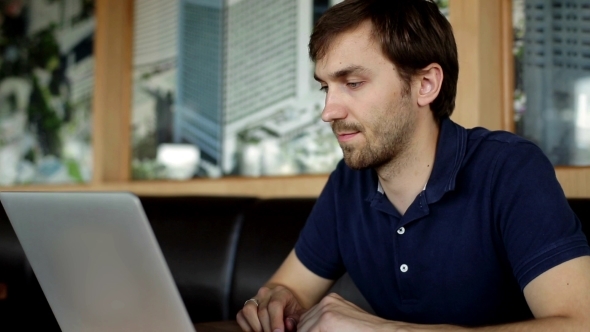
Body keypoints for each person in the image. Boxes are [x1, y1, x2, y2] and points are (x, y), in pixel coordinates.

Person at [237, 0, 590, 331]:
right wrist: (276, 301)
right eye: (325, 88)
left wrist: (387, 330)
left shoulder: (509, 169)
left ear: (425, 85)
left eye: (353, 83)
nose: (328, 111)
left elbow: (579, 323)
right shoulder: (349, 182)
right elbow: (286, 288)